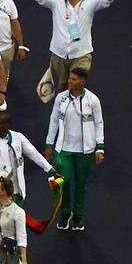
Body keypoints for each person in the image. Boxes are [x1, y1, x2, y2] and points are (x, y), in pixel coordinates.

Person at [44, 65, 104, 231]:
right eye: (69, 78)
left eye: (73, 79)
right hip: (63, 149)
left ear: (82, 82)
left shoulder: (93, 100)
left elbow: (99, 123)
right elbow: (54, 120)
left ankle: (77, 216)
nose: (68, 81)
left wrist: (100, 147)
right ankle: (64, 212)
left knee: (80, 183)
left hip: (86, 150)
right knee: (65, 180)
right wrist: (49, 143)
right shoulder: (61, 98)